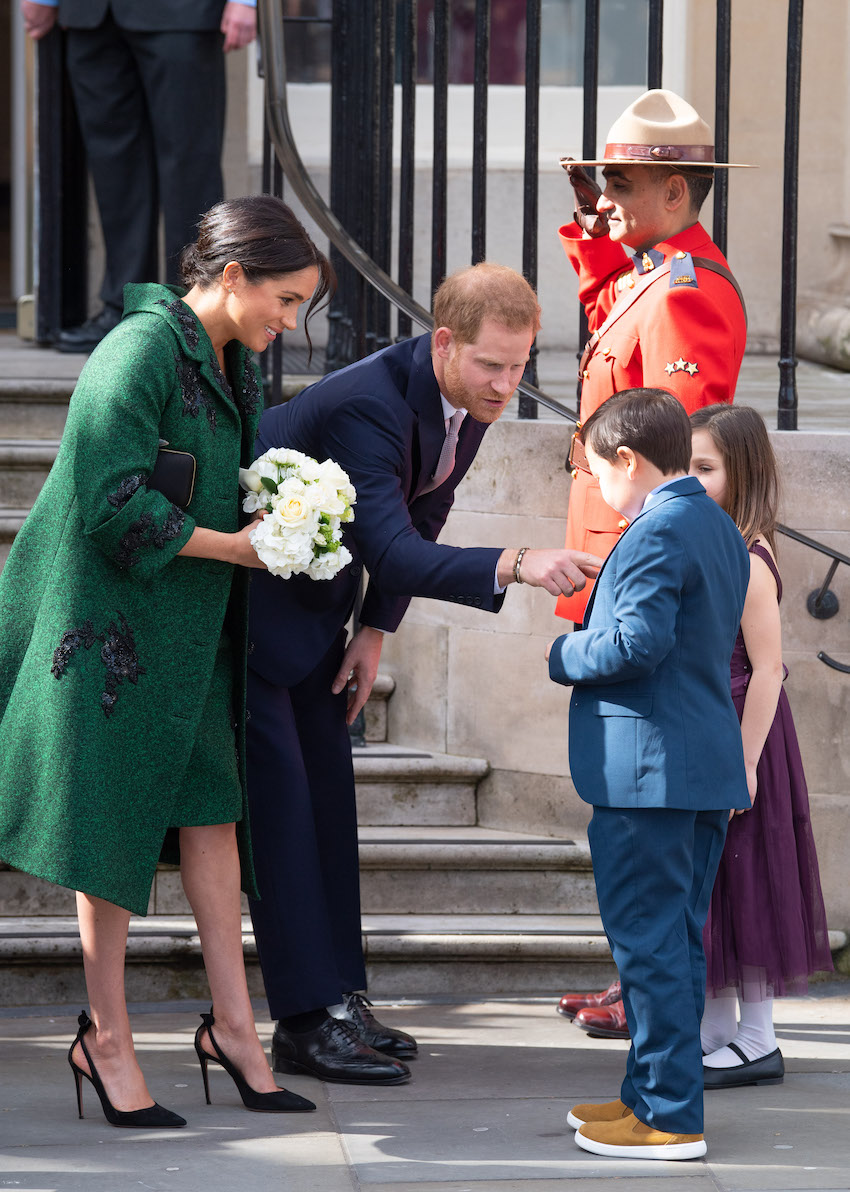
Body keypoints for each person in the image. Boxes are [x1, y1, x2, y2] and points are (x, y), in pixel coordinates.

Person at [0, 195, 333, 1126]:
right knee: (107, 838)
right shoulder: (138, 350)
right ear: (233, 277)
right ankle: (104, 1038)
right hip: (108, 636)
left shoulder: (230, 356)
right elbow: (109, 504)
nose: (291, 321)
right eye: (286, 298)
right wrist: (238, 546)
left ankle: (234, 1027)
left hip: (187, 637)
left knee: (214, 821)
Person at [246, 262, 601, 1085]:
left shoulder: (465, 398)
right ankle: (301, 1021)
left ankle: (339, 999)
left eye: (520, 366)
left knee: (330, 809)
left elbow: (425, 510)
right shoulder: (370, 401)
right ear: (445, 344)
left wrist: (375, 627)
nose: (507, 386)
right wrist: (516, 562)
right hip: (253, 621)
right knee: (285, 820)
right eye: (492, 365)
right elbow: (396, 546)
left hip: (320, 618)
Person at [547, 389, 750, 1161]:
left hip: (650, 774)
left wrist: (562, 654)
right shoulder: (713, 522)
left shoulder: (658, 528)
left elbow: (634, 645)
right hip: (695, 768)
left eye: (598, 471)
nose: (598, 487)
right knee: (675, 945)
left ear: (628, 459)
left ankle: (668, 1115)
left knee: (649, 947)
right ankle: (649, 1096)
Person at [554, 87, 749, 626]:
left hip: (636, 553)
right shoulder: (656, 273)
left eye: (619, 186)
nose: (604, 200)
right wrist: (597, 232)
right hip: (613, 539)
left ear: (674, 192)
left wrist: (654, 567)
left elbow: (679, 453)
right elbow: (608, 319)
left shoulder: (683, 290)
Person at [689, 404, 834, 1090]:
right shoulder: (716, 544)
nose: (692, 479)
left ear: (741, 472)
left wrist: (744, 762)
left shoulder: (751, 561)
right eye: (684, 466)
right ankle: (716, 1028)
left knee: (750, 873)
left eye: (706, 468)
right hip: (718, 727)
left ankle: (758, 1038)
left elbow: (769, 668)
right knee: (717, 881)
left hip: (746, 733)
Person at [21, 0, 257, 353]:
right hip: (93, 16)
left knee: (189, 165)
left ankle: (192, 313)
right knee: (113, 166)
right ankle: (125, 307)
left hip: (182, 15)